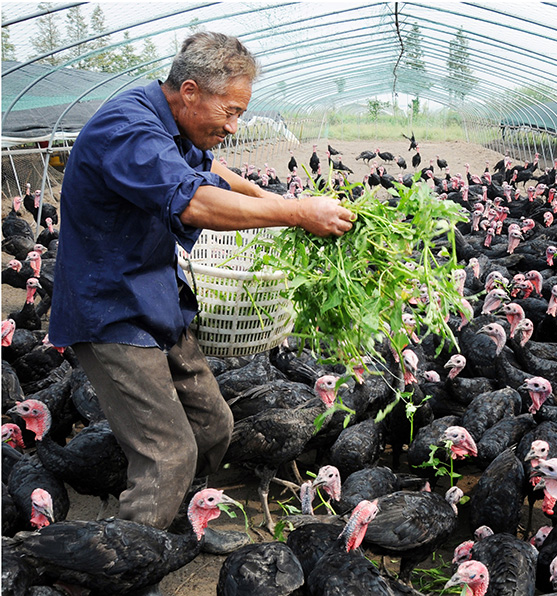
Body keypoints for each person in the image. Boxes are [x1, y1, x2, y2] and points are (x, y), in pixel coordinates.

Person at [47, 31, 353, 561]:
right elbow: (192, 202)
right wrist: (298, 213)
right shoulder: (130, 129)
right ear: (190, 91)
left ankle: (184, 519)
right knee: (167, 455)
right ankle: (124, 563)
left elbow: (208, 169)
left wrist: (271, 198)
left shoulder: (174, 121)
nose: (233, 127)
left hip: (154, 295)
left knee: (215, 423)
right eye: (229, 112)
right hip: (111, 309)